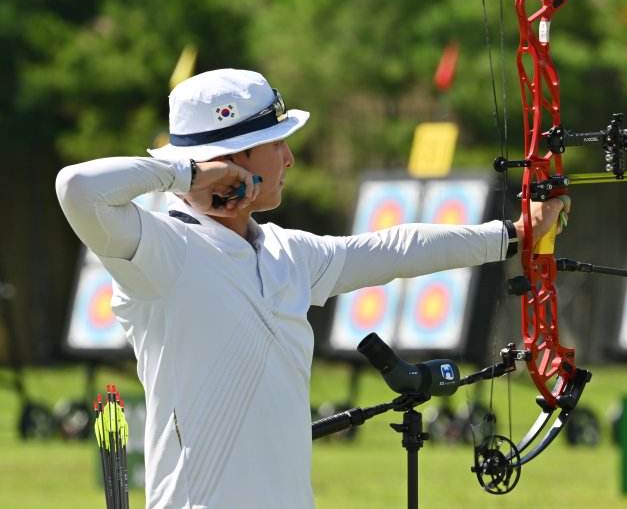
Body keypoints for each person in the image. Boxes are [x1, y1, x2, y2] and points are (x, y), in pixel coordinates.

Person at [56, 68, 570, 508]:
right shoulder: (158, 250)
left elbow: (396, 248)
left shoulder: (288, 253)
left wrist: (516, 235)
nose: (289, 158)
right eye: (277, 144)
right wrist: (187, 170)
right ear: (233, 157)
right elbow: (77, 189)